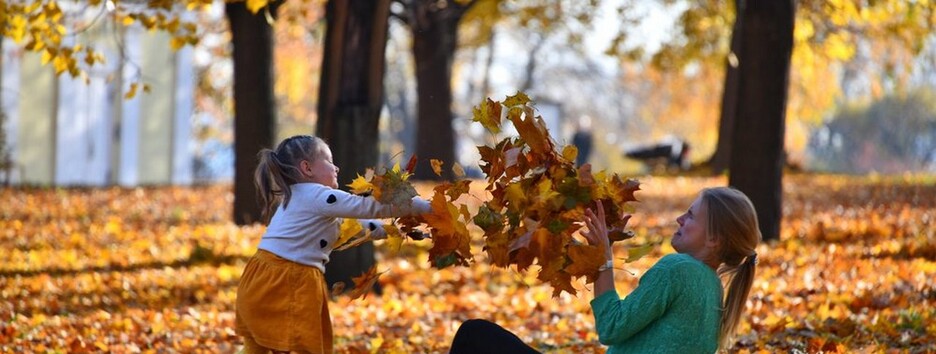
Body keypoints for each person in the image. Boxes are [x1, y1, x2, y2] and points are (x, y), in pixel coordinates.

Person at [449, 187, 761, 353]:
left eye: (691, 216)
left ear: (714, 238)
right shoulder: (712, 289)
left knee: (475, 336)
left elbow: (612, 327)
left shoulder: (677, 269)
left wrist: (602, 259)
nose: (680, 219)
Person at [235, 135, 431, 354]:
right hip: (290, 278)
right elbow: (369, 207)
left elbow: (361, 225)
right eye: (329, 161)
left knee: (258, 347)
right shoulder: (317, 196)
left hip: (260, 277)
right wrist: (425, 208)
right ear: (307, 168)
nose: (336, 168)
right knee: (306, 347)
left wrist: (398, 231)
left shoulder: (298, 199)